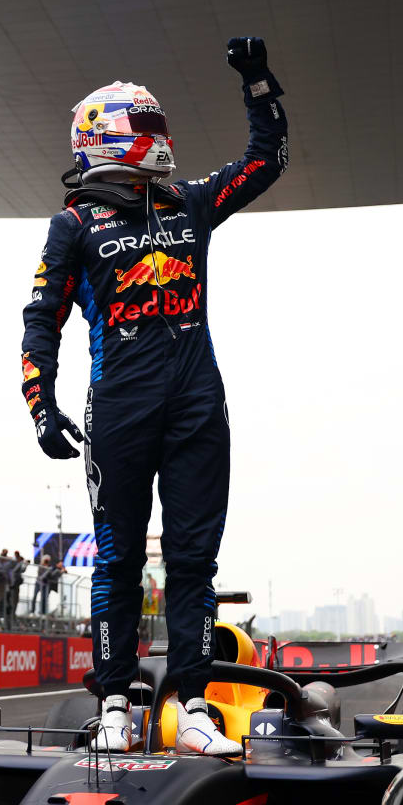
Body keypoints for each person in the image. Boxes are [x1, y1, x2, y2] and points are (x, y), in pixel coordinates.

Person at [19, 37, 286, 756]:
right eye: (148, 130)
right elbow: (41, 318)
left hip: (200, 403)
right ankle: (113, 704)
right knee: (118, 559)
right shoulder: (73, 224)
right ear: (107, 138)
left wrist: (256, 81)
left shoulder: (191, 203)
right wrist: (40, 405)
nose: (161, 141)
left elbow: (267, 161)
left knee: (195, 561)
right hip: (121, 410)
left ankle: (194, 703)